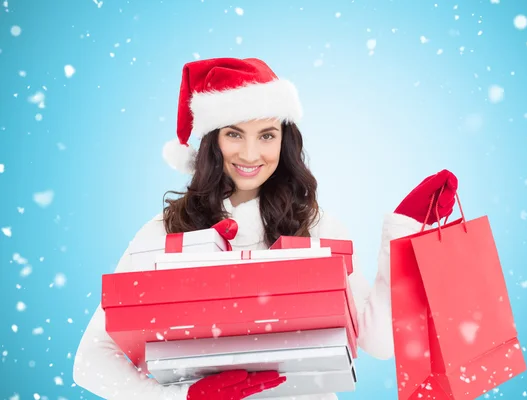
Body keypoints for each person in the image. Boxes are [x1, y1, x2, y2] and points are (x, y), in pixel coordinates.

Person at [72, 57, 458, 400]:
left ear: (284, 141)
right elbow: (91, 361)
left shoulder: (314, 224)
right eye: (234, 134)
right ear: (211, 142)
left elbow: (378, 341)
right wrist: (186, 397)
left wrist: (407, 235)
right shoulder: (165, 232)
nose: (251, 154)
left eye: (267, 135)